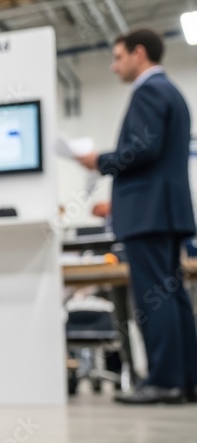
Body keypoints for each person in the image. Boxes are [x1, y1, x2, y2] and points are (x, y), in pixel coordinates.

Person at [76, 29, 197, 404]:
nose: (114, 67)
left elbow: (143, 149)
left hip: (148, 213)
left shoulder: (148, 91)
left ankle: (163, 381)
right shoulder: (171, 92)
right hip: (167, 211)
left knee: (154, 298)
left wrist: (100, 161)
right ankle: (186, 381)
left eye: (118, 58)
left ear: (139, 53)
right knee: (173, 296)